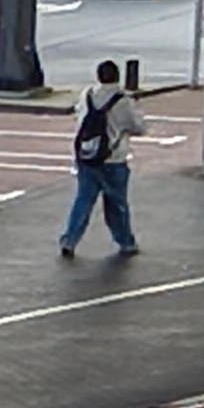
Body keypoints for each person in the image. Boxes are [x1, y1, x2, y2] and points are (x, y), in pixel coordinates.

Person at [60, 59, 143, 260]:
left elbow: (79, 117)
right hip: (113, 159)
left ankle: (70, 240)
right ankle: (125, 242)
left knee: (83, 200)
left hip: (87, 156)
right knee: (116, 203)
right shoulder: (123, 100)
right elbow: (139, 127)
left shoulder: (87, 94)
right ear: (117, 76)